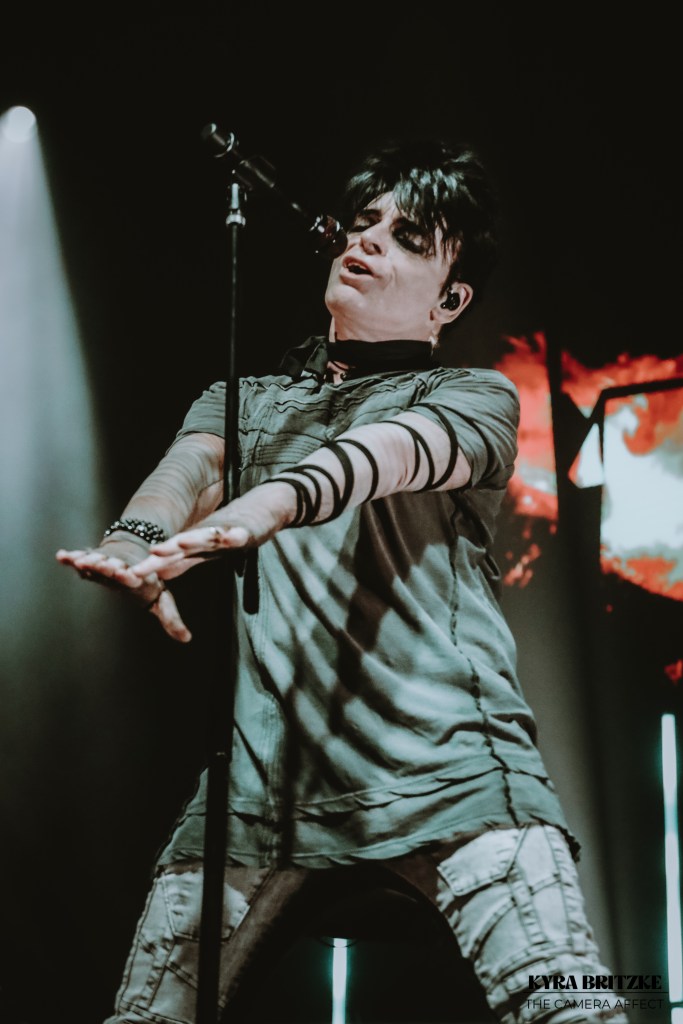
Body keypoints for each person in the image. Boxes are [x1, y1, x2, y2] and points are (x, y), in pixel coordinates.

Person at [57, 140, 628, 1024]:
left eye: (405, 237)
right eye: (362, 224)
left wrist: (265, 506)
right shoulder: (243, 401)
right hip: (262, 794)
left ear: (450, 300)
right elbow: (183, 476)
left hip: (452, 773)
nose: (365, 241)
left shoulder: (472, 398)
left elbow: (378, 456)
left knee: (572, 1009)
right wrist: (134, 547)